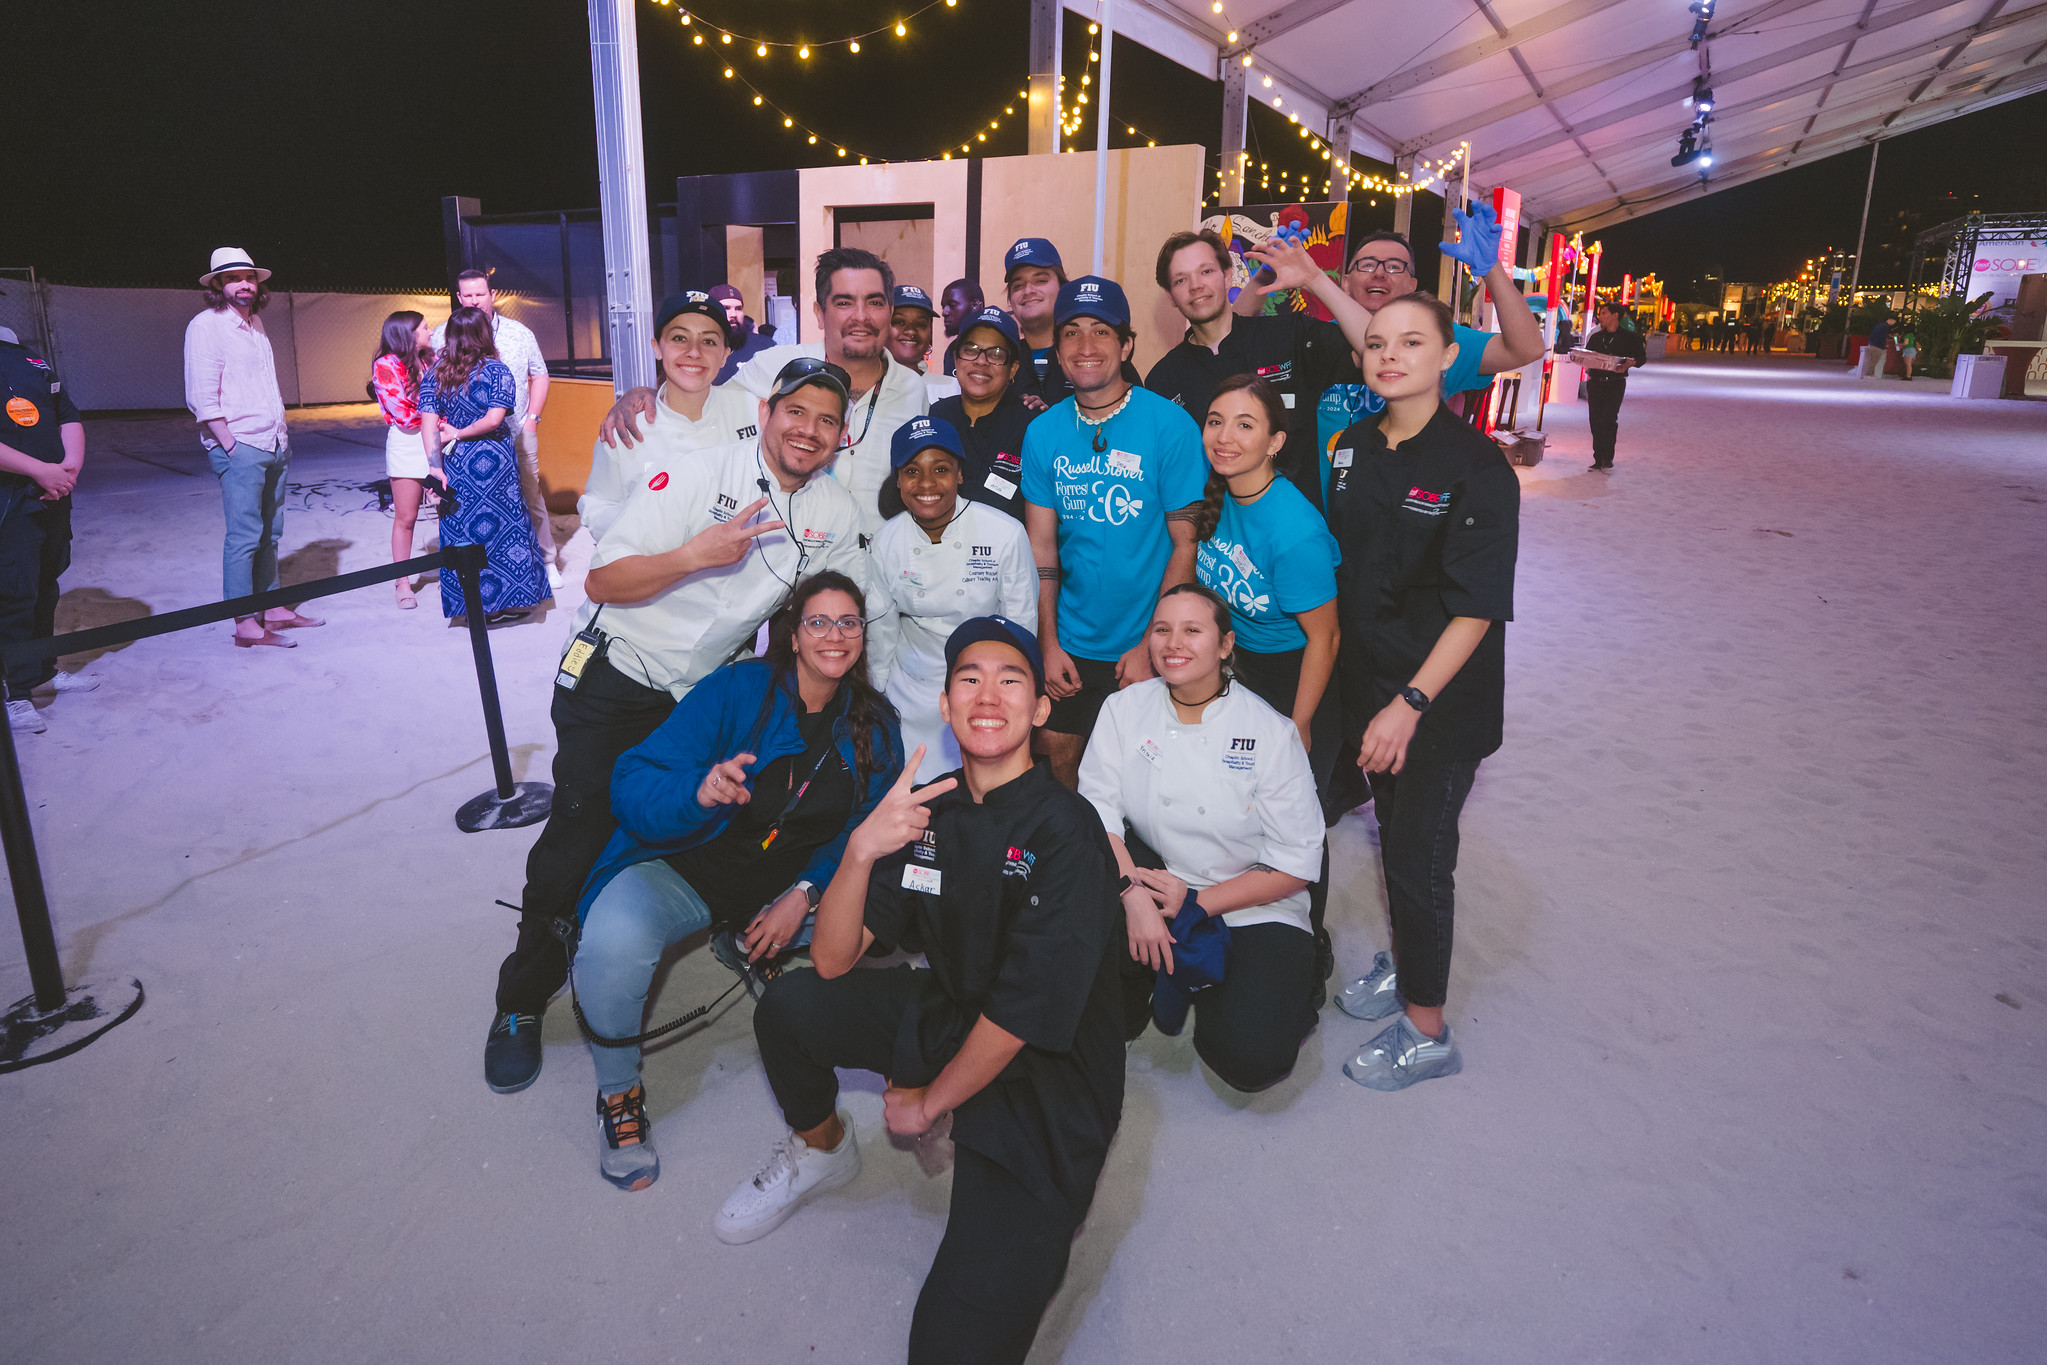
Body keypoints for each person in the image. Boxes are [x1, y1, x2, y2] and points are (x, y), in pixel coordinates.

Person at [719, 616, 1124, 1365]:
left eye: (1011, 678)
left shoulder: (1068, 829)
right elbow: (837, 960)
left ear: (1040, 707)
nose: (988, 694)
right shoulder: (926, 813)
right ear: (945, 704)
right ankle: (822, 1149)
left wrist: (927, 1102)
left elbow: (1019, 1017)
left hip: (1047, 1073)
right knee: (791, 1005)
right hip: (949, 1015)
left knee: (950, 1346)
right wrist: (859, 852)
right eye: (969, 678)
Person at [484, 357, 892, 1095]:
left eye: (826, 420)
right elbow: (604, 579)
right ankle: (519, 1000)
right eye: (796, 412)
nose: (808, 430)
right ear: (768, 411)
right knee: (578, 834)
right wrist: (695, 555)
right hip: (619, 675)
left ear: (841, 437)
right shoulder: (700, 472)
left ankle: (709, 927)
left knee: (737, 806)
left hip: (700, 689)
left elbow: (821, 614)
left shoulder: (833, 511)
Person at [570, 571, 904, 1191]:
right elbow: (633, 779)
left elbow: (861, 830)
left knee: (887, 921)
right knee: (609, 949)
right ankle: (618, 1095)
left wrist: (804, 891)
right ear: (794, 636)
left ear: (863, 634)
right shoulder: (738, 688)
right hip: (684, 870)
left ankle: (748, 938)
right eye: (818, 623)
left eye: (849, 622)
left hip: (781, 890)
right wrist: (696, 792)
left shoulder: (875, 726)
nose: (835, 635)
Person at [1325, 293, 1519, 1091]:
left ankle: (1426, 1029)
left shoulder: (1476, 466)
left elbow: (1476, 608)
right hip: (1368, 684)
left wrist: (1408, 705)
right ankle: (1404, 961)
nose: (1388, 355)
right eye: (1375, 342)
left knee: (1417, 856)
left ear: (1448, 355)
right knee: (1393, 832)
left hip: (1437, 703)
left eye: (1410, 341)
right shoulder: (1348, 447)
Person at [1080, 583, 1325, 1088]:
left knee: (1249, 1059)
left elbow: (1297, 862)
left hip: (1248, 893)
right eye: (1162, 630)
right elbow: (1096, 812)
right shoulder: (1123, 710)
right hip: (1154, 874)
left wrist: (1196, 903)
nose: (1174, 643)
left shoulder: (1269, 732)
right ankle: (1174, 971)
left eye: (1193, 630)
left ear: (1226, 645)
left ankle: (1298, 966)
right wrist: (1131, 896)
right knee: (1079, 965)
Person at [1021, 277, 1208, 787]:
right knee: (1058, 764)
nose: (1086, 347)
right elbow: (1041, 548)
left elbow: (1184, 543)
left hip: (1148, 640)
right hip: (1073, 643)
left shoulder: (1170, 426)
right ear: (1056, 351)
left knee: (1143, 782)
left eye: (1101, 332)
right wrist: (1048, 643)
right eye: (1072, 333)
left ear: (1126, 345)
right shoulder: (1043, 433)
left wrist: (1154, 643)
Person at [601, 248, 928, 537]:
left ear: (889, 310)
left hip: (879, 566)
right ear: (818, 312)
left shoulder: (913, 390)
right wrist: (644, 392)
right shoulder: (775, 367)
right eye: (844, 302)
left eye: (874, 302)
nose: (861, 316)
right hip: (790, 565)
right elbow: (703, 405)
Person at [1244, 210, 1542, 502]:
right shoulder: (1316, 338)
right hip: (1312, 521)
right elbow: (1233, 338)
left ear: (1412, 286)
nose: (1379, 273)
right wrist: (1265, 274)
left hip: (1400, 519)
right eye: (1366, 264)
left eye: (1395, 266)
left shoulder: (1435, 338)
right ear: (1346, 282)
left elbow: (1525, 348)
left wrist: (1492, 270)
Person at [1148, 229, 1373, 504]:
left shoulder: (1288, 335)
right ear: (1170, 295)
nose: (1195, 285)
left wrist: (1315, 280)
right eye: (1181, 279)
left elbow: (1379, 350)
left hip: (1293, 529)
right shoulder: (1163, 379)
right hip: (1213, 534)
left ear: (1228, 276)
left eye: (1206, 271)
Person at [871, 416, 1036, 781]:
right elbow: (880, 632)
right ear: (897, 480)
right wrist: (874, 697)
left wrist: (1015, 693)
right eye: (912, 471)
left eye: (941, 469)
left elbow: (1022, 627)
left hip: (982, 687)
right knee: (912, 793)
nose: (926, 483)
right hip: (911, 691)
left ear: (960, 474)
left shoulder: (1004, 533)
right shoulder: (886, 542)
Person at [183, 247, 322, 648]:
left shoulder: (255, 322)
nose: (244, 284)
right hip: (240, 444)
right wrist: (228, 442)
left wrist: (280, 435)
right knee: (244, 535)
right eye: (233, 278)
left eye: (249, 277)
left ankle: (273, 608)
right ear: (217, 285)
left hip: (273, 440)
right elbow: (202, 394)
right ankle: (245, 622)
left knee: (271, 532)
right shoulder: (206, 325)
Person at [578, 290, 756, 544]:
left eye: (708, 341)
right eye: (679, 338)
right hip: (659, 575)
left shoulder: (752, 411)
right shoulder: (626, 427)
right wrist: (648, 540)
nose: (694, 352)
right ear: (657, 348)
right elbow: (599, 505)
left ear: (725, 355)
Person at [420, 307, 551, 624]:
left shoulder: (435, 373)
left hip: (458, 463)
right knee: (505, 528)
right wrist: (462, 432)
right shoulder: (497, 371)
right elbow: (494, 420)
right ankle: (514, 599)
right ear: (484, 334)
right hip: (495, 462)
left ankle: (474, 606)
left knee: (463, 528)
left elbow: (428, 426)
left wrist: (435, 468)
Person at [433, 270, 557, 586]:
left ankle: (547, 559)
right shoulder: (442, 334)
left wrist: (532, 418)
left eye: (480, 294)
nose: (474, 300)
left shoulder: (519, 333)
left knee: (529, 493)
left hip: (515, 431)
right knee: (470, 504)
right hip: (464, 439)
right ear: (459, 298)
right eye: (468, 295)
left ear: (492, 295)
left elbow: (540, 374)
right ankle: (479, 570)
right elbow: (435, 382)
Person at [0, 332, 90, 733]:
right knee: (14, 593)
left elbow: (66, 412)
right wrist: (39, 470)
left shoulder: (25, 355)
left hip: (52, 495)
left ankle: (41, 672)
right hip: (10, 500)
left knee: (45, 583)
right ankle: (15, 692)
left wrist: (69, 467)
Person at [927, 305, 1034, 521]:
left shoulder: (1031, 424)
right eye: (971, 349)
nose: (981, 361)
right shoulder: (938, 416)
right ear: (956, 359)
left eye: (996, 354)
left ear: (1012, 369)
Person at [370, 310, 434, 609]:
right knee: (406, 517)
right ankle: (402, 581)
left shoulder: (428, 359)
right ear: (408, 334)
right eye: (424, 327)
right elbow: (406, 417)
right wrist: (440, 420)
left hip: (437, 440)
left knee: (446, 510)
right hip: (408, 444)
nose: (430, 331)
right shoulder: (385, 365)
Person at [1003, 237, 1070, 404]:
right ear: (1010, 300)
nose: (1028, 291)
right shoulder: (1000, 362)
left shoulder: (1088, 355)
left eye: (1040, 281)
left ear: (1062, 288)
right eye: (1018, 285)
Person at [1581, 301, 1647, 472]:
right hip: (1595, 383)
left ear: (1614, 315)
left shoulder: (1630, 337)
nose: (1600, 317)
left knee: (1609, 419)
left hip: (1615, 384)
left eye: (1603, 313)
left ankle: (1607, 457)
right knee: (1595, 420)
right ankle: (1597, 457)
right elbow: (1587, 356)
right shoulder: (1596, 337)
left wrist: (1630, 363)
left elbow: (1641, 358)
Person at [710, 284, 775, 383]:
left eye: (738, 309)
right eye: (726, 308)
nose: (733, 315)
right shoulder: (700, 348)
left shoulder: (764, 346)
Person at [938, 277, 984, 375]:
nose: (944, 312)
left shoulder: (994, 346)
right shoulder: (951, 350)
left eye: (952, 305)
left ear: (975, 306)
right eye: (943, 306)